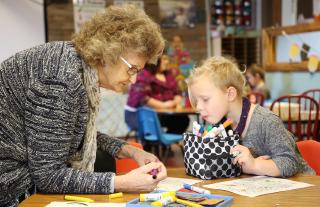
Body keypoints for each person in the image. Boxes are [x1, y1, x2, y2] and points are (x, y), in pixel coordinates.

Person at [0, 5, 167, 207]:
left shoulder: (78, 67)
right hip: (13, 189)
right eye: (131, 69)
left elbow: (64, 133)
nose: (133, 80)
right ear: (108, 52)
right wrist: (122, 182)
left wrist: (131, 151)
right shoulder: (61, 80)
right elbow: (47, 175)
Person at [186, 56, 315, 177]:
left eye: (205, 99)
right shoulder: (220, 124)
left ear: (230, 94)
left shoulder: (266, 121)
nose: (198, 107)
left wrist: (254, 165)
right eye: (197, 101)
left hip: (303, 190)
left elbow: (291, 162)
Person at [125, 53, 189, 135]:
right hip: (141, 115)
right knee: (151, 123)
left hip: (164, 114)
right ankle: (152, 145)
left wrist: (176, 101)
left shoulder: (168, 74)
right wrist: (164, 105)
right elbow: (143, 98)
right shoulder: (143, 74)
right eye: (164, 59)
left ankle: (165, 144)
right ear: (156, 61)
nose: (167, 61)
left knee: (182, 120)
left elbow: (177, 92)